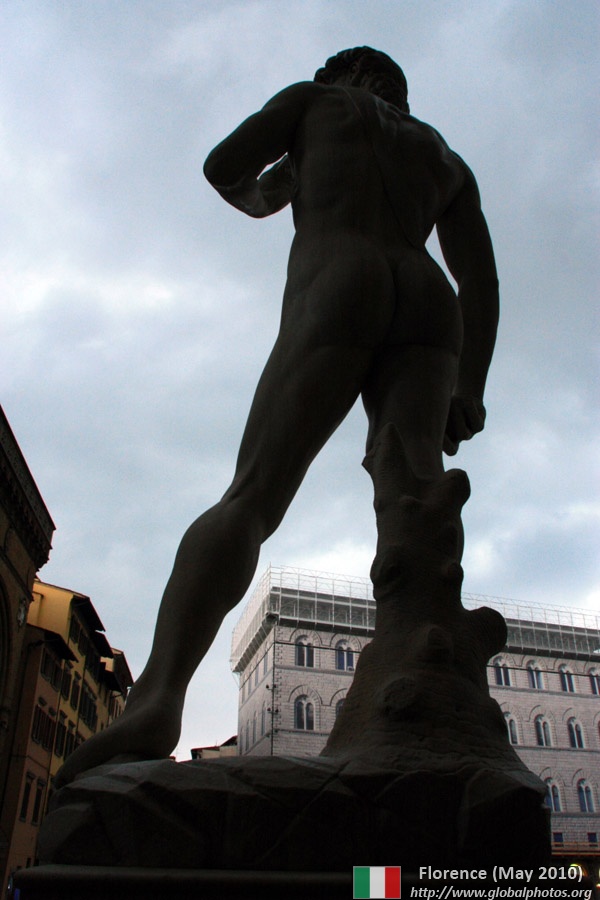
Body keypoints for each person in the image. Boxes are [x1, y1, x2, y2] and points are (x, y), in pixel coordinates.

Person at [56, 47, 498, 786]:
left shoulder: (315, 101)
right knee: (415, 505)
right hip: (429, 303)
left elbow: (224, 165)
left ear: (342, 77)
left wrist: (273, 190)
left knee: (253, 496)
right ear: (397, 91)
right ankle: (431, 704)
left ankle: (156, 701)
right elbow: (479, 277)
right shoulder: (442, 156)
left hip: (341, 274)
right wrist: (472, 384)